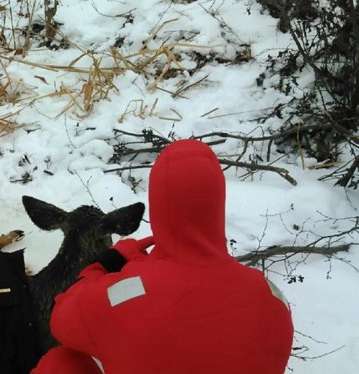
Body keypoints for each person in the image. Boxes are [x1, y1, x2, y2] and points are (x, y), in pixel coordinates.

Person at [32, 139, 294, 374]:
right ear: (217, 203)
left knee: (61, 362)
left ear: (159, 204)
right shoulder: (272, 297)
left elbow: (60, 320)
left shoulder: (120, 296)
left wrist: (108, 264)